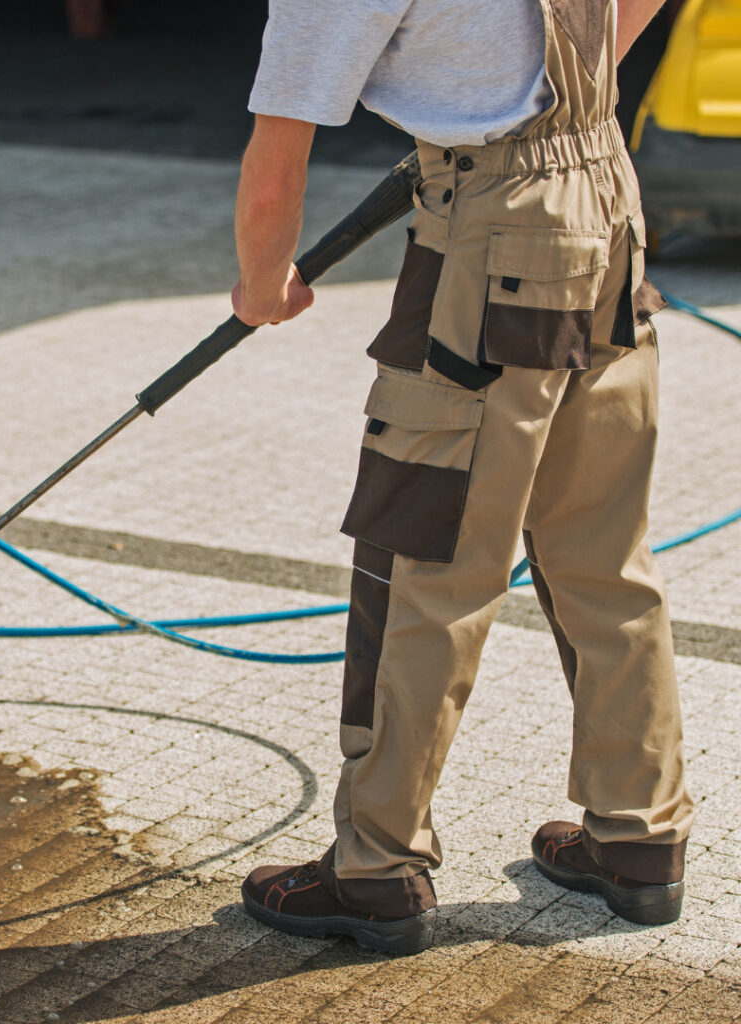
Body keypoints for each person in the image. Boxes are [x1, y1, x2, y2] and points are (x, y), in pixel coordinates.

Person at [232, 0, 694, 956]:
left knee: (428, 557)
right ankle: (639, 841)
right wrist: (554, 99)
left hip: (489, 238)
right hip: (604, 189)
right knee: (603, 552)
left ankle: (375, 868)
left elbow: (278, 163)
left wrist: (262, 282)